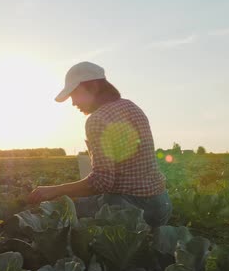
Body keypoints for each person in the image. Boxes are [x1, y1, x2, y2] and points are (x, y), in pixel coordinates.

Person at [28, 61, 172, 227]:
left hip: (129, 209)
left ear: (93, 87)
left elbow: (102, 182)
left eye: (74, 93)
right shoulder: (131, 107)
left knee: (62, 211)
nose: (73, 102)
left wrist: (54, 190)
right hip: (161, 206)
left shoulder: (97, 119)